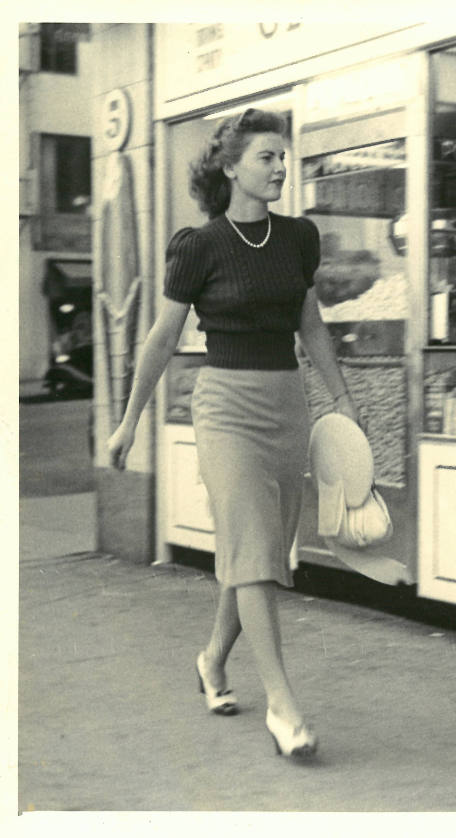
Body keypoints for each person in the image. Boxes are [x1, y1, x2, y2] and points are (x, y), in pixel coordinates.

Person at [107, 108, 358, 759]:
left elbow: (312, 327)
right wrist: (128, 422)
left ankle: (212, 659)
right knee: (251, 548)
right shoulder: (200, 245)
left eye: (284, 156)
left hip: (286, 405)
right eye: (268, 157)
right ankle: (282, 704)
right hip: (224, 410)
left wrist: (343, 399)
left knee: (260, 556)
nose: (280, 167)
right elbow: (161, 339)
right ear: (231, 166)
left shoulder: (300, 238)